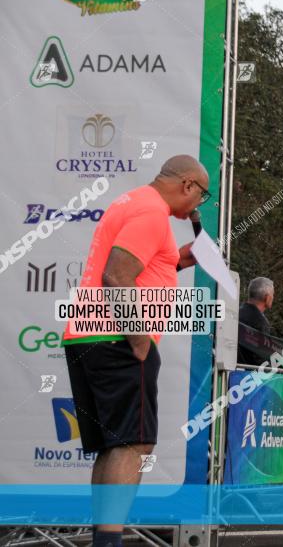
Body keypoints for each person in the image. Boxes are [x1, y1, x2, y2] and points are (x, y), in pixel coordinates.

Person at [61, 155, 210, 547]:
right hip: (117, 339)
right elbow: (117, 275)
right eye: (201, 196)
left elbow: (138, 268)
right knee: (133, 444)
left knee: (116, 445)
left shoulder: (133, 203)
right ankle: (108, 542)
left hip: (89, 335)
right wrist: (140, 338)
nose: (198, 207)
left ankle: (102, 540)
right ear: (188, 185)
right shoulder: (151, 213)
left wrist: (177, 259)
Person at [237, 277, 274, 366]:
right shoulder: (260, 322)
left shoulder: (236, 312)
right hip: (247, 374)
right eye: (273, 294)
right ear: (267, 298)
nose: (273, 297)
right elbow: (260, 358)